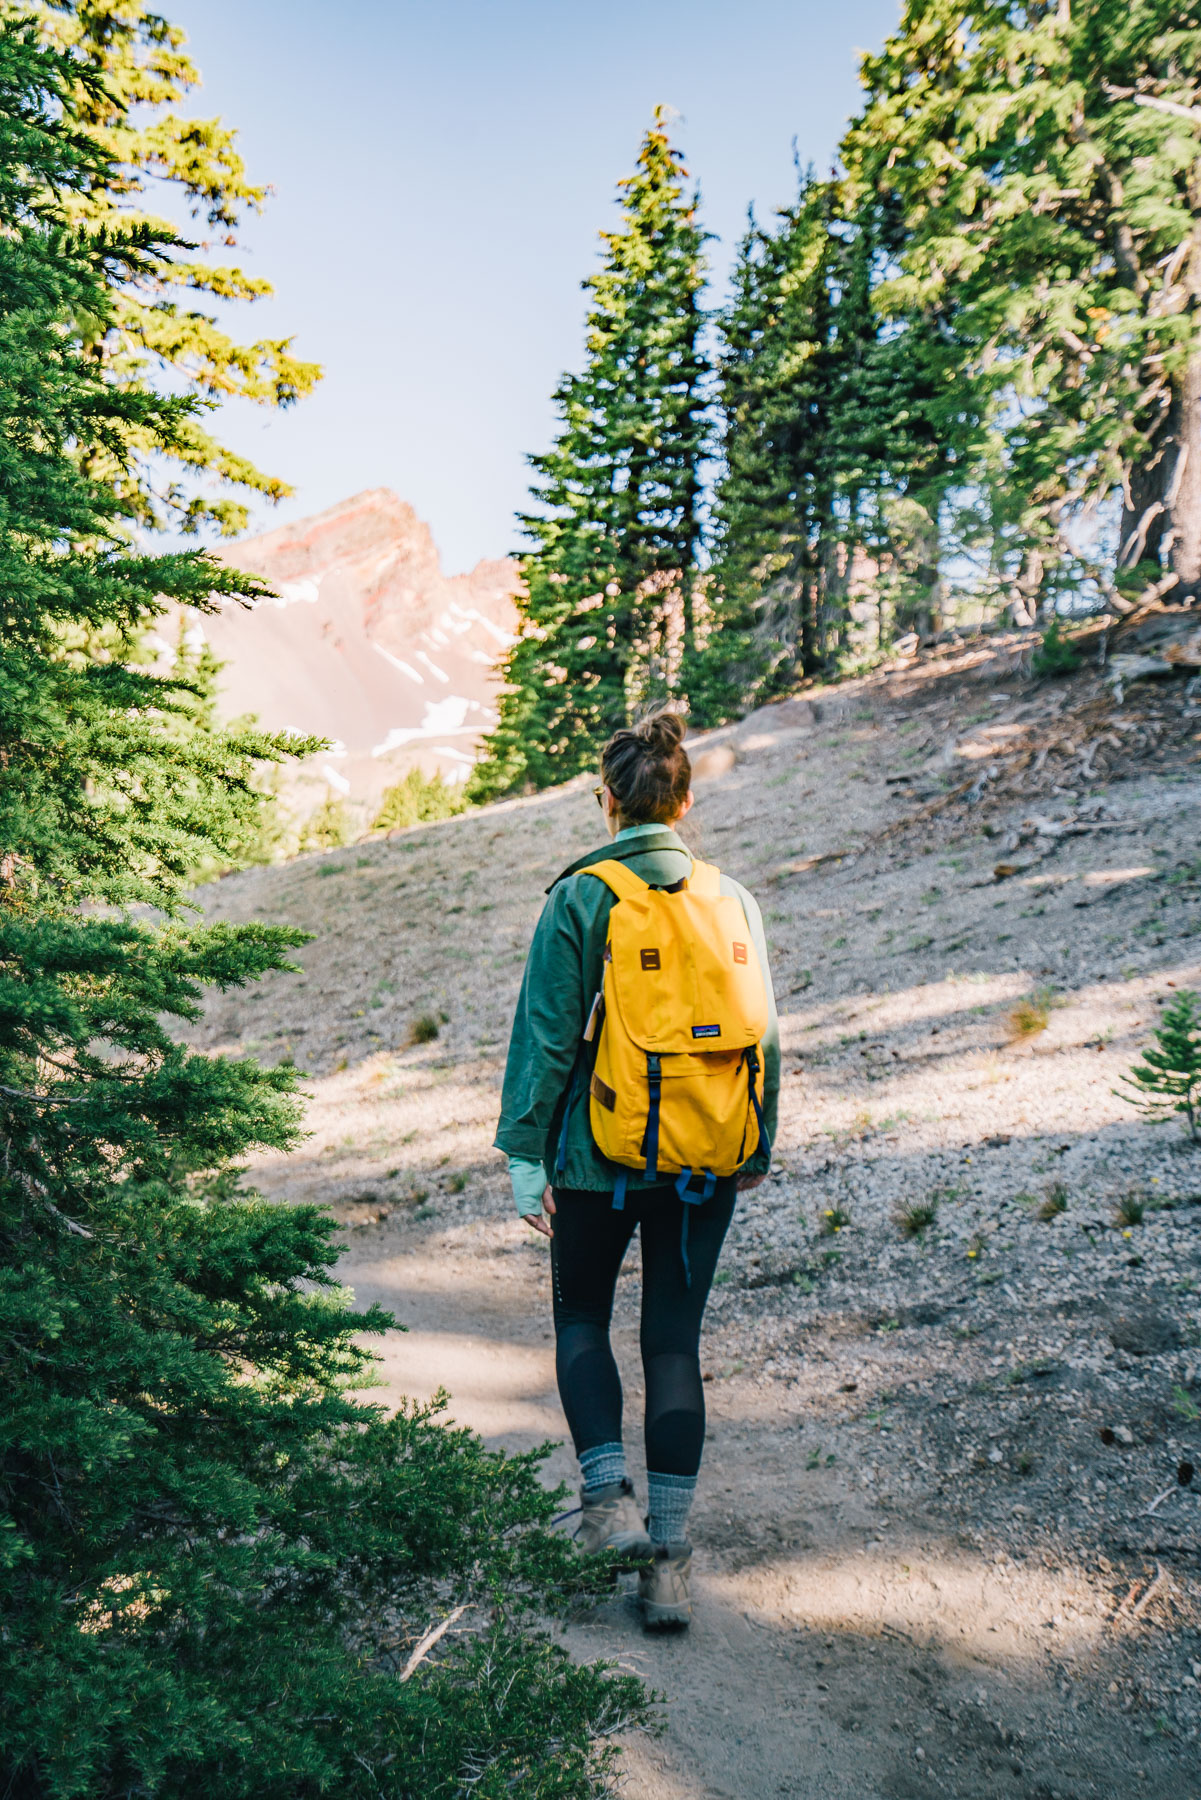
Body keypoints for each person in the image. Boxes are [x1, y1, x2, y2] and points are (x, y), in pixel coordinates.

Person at [494, 712, 779, 1630]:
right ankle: (668, 1567)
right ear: (685, 801)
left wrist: (523, 1156)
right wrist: (753, 1148)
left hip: (592, 1157)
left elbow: (544, 1035)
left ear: (606, 801)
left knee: (582, 1318)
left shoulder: (582, 896)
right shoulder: (731, 899)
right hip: (705, 1160)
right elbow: (764, 1037)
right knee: (672, 1346)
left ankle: (606, 1504)